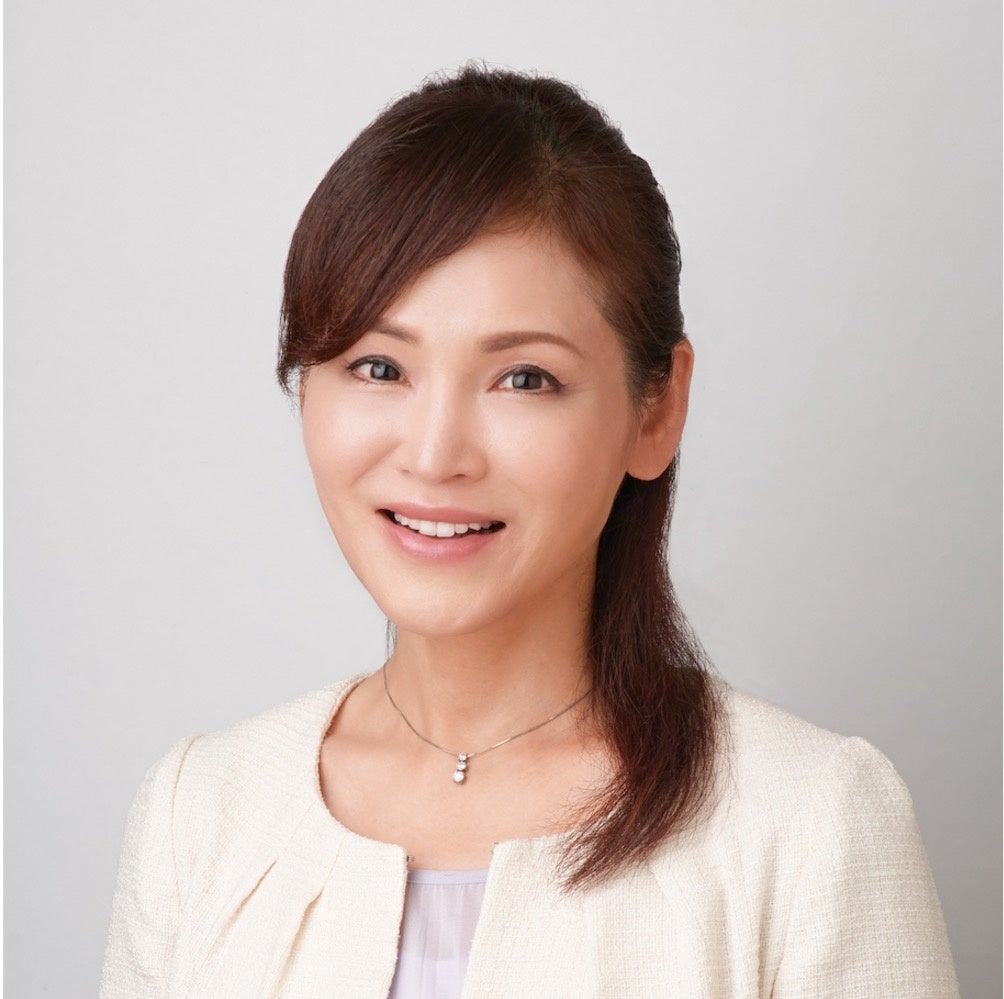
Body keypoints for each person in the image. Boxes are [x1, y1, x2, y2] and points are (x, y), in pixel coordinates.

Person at [99, 66, 959, 998]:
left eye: (524, 378)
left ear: (656, 409)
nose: (435, 455)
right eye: (379, 366)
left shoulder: (814, 822)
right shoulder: (199, 813)